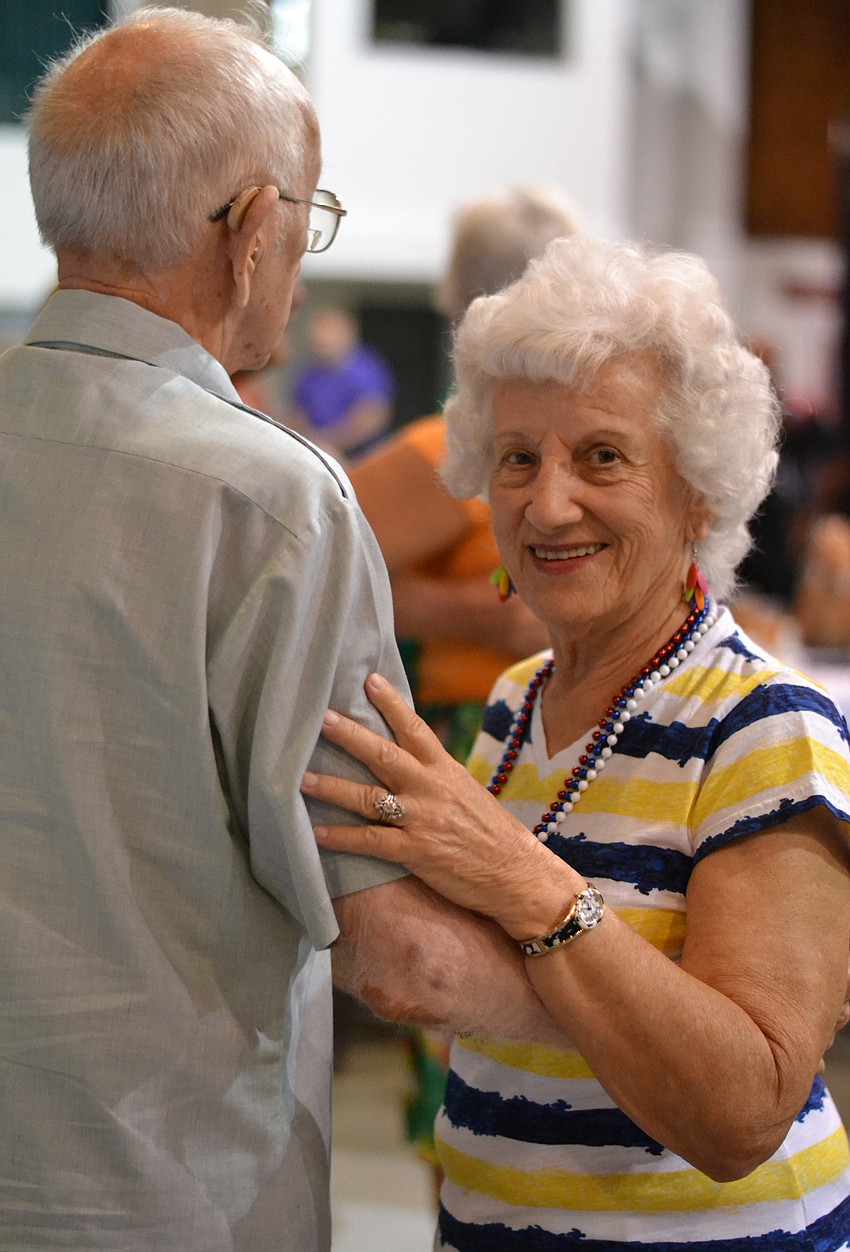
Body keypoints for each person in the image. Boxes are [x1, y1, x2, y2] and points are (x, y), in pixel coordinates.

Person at [0, 9, 580, 1248]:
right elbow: (399, 960)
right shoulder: (270, 498)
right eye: (307, 222)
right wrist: (659, 1000)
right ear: (252, 229)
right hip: (164, 1192)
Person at [302, 236, 850, 1249]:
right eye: (517, 458)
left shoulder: (768, 728)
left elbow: (743, 1111)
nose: (547, 504)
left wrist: (520, 878)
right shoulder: (516, 704)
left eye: (601, 456)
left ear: (697, 489)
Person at [349, 184, 582, 1178]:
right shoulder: (445, 446)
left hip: (557, 740)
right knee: (466, 1029)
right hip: (464, 748)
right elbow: (314, 572)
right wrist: (465, 613)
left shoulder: (539, 430)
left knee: (550, 1022)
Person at [285, 304, 395, 461]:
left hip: (361, 457)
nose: (321, 336)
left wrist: (331, 443)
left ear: (348, 331)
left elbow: (373, 416)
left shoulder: (366, 368)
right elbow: (296, 416)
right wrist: (316, 444)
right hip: (318, 455)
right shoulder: (308, 373)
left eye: (329, 330)